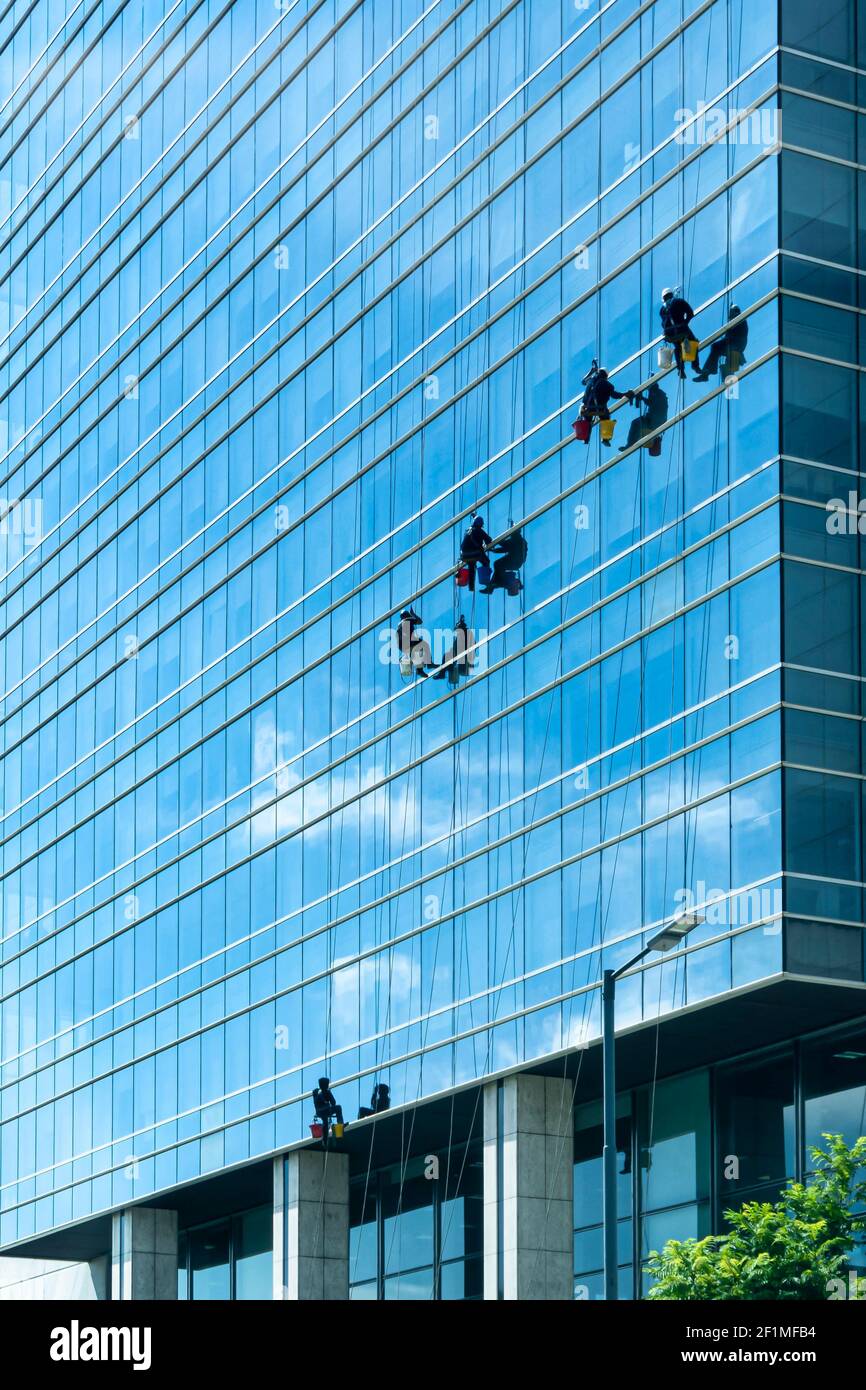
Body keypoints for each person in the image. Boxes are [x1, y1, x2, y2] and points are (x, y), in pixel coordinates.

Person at [578, 361, 633, 446]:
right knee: (606, 419)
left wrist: (592, 371)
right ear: (606, 376)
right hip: (600, 410)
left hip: (585, 410)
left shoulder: (590, 381)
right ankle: (605, 438)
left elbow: (583, 382)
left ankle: (586, 438)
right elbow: (615, 395)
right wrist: (625, 394)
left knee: (588, 421)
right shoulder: (607, 384)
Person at [692, 304, 748, 382]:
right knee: (716, 348)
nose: (729, 316)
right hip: (734, 344)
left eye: (731, 313)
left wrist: (731, 314)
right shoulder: (736, 321)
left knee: (715, 347)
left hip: (736, 344)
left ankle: (708, 372)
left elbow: (734, 334)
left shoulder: (740, 319)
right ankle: (707, 373)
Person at [660, 288, 700, 379]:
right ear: (672, 294)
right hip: (682, 330)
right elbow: (690, 313)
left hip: (670, 334)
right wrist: (685, 323)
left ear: (663, 298)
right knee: (693, 342)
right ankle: (695, 366)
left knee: (678, 348)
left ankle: (680, 370)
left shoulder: (662, 309)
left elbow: (663, 324)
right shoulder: (679, 302)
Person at [621, 381, 668, 451]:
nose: (649, 391)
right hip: (654, 420)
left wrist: (642, 398)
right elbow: (651, 402)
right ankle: (631, 444)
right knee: (636, 423)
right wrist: (642, 398)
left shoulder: (659, 394)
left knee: (636, 423)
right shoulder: (658, 393)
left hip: (655, 421)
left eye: (649, 389)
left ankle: (630, 445)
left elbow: (652, 403)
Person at [481, 526, 528, 593]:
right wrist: (494, 548)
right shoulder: (519, 540)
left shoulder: (517, 540)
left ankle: (494, 585)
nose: (511, 535)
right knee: (498, 565)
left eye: (512, 533)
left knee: (498, 565)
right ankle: (494, 585)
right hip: (515, 561)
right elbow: (506, 546)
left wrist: (494, 546)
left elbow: (505, 546)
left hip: (515, 561)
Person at [433, 617, 475, 684]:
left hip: (465, 656)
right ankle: (444, 673)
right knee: (447, 656)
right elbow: (455, 647)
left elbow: (471, 645)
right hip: (460, 655)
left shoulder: (467, 634)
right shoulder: (461, 635)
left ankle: (443, 673)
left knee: (447, 656)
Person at [460, 515, 493, 591]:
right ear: (480, 524)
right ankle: (485, 580)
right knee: (486, 561)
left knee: (471, 567)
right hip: (475, 553)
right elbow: (489, 540)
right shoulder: (479, 530)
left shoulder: (468, 531)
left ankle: (471, 587)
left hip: (465, 555)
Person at [395, 608, 430, 676]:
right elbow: (420, 621)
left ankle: (419, 669)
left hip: (402, 645)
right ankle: (427, 665)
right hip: (406, 641)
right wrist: (413, 614)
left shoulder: (400, 625)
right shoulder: (407, 620)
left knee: (416, 650)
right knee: (424, 644)